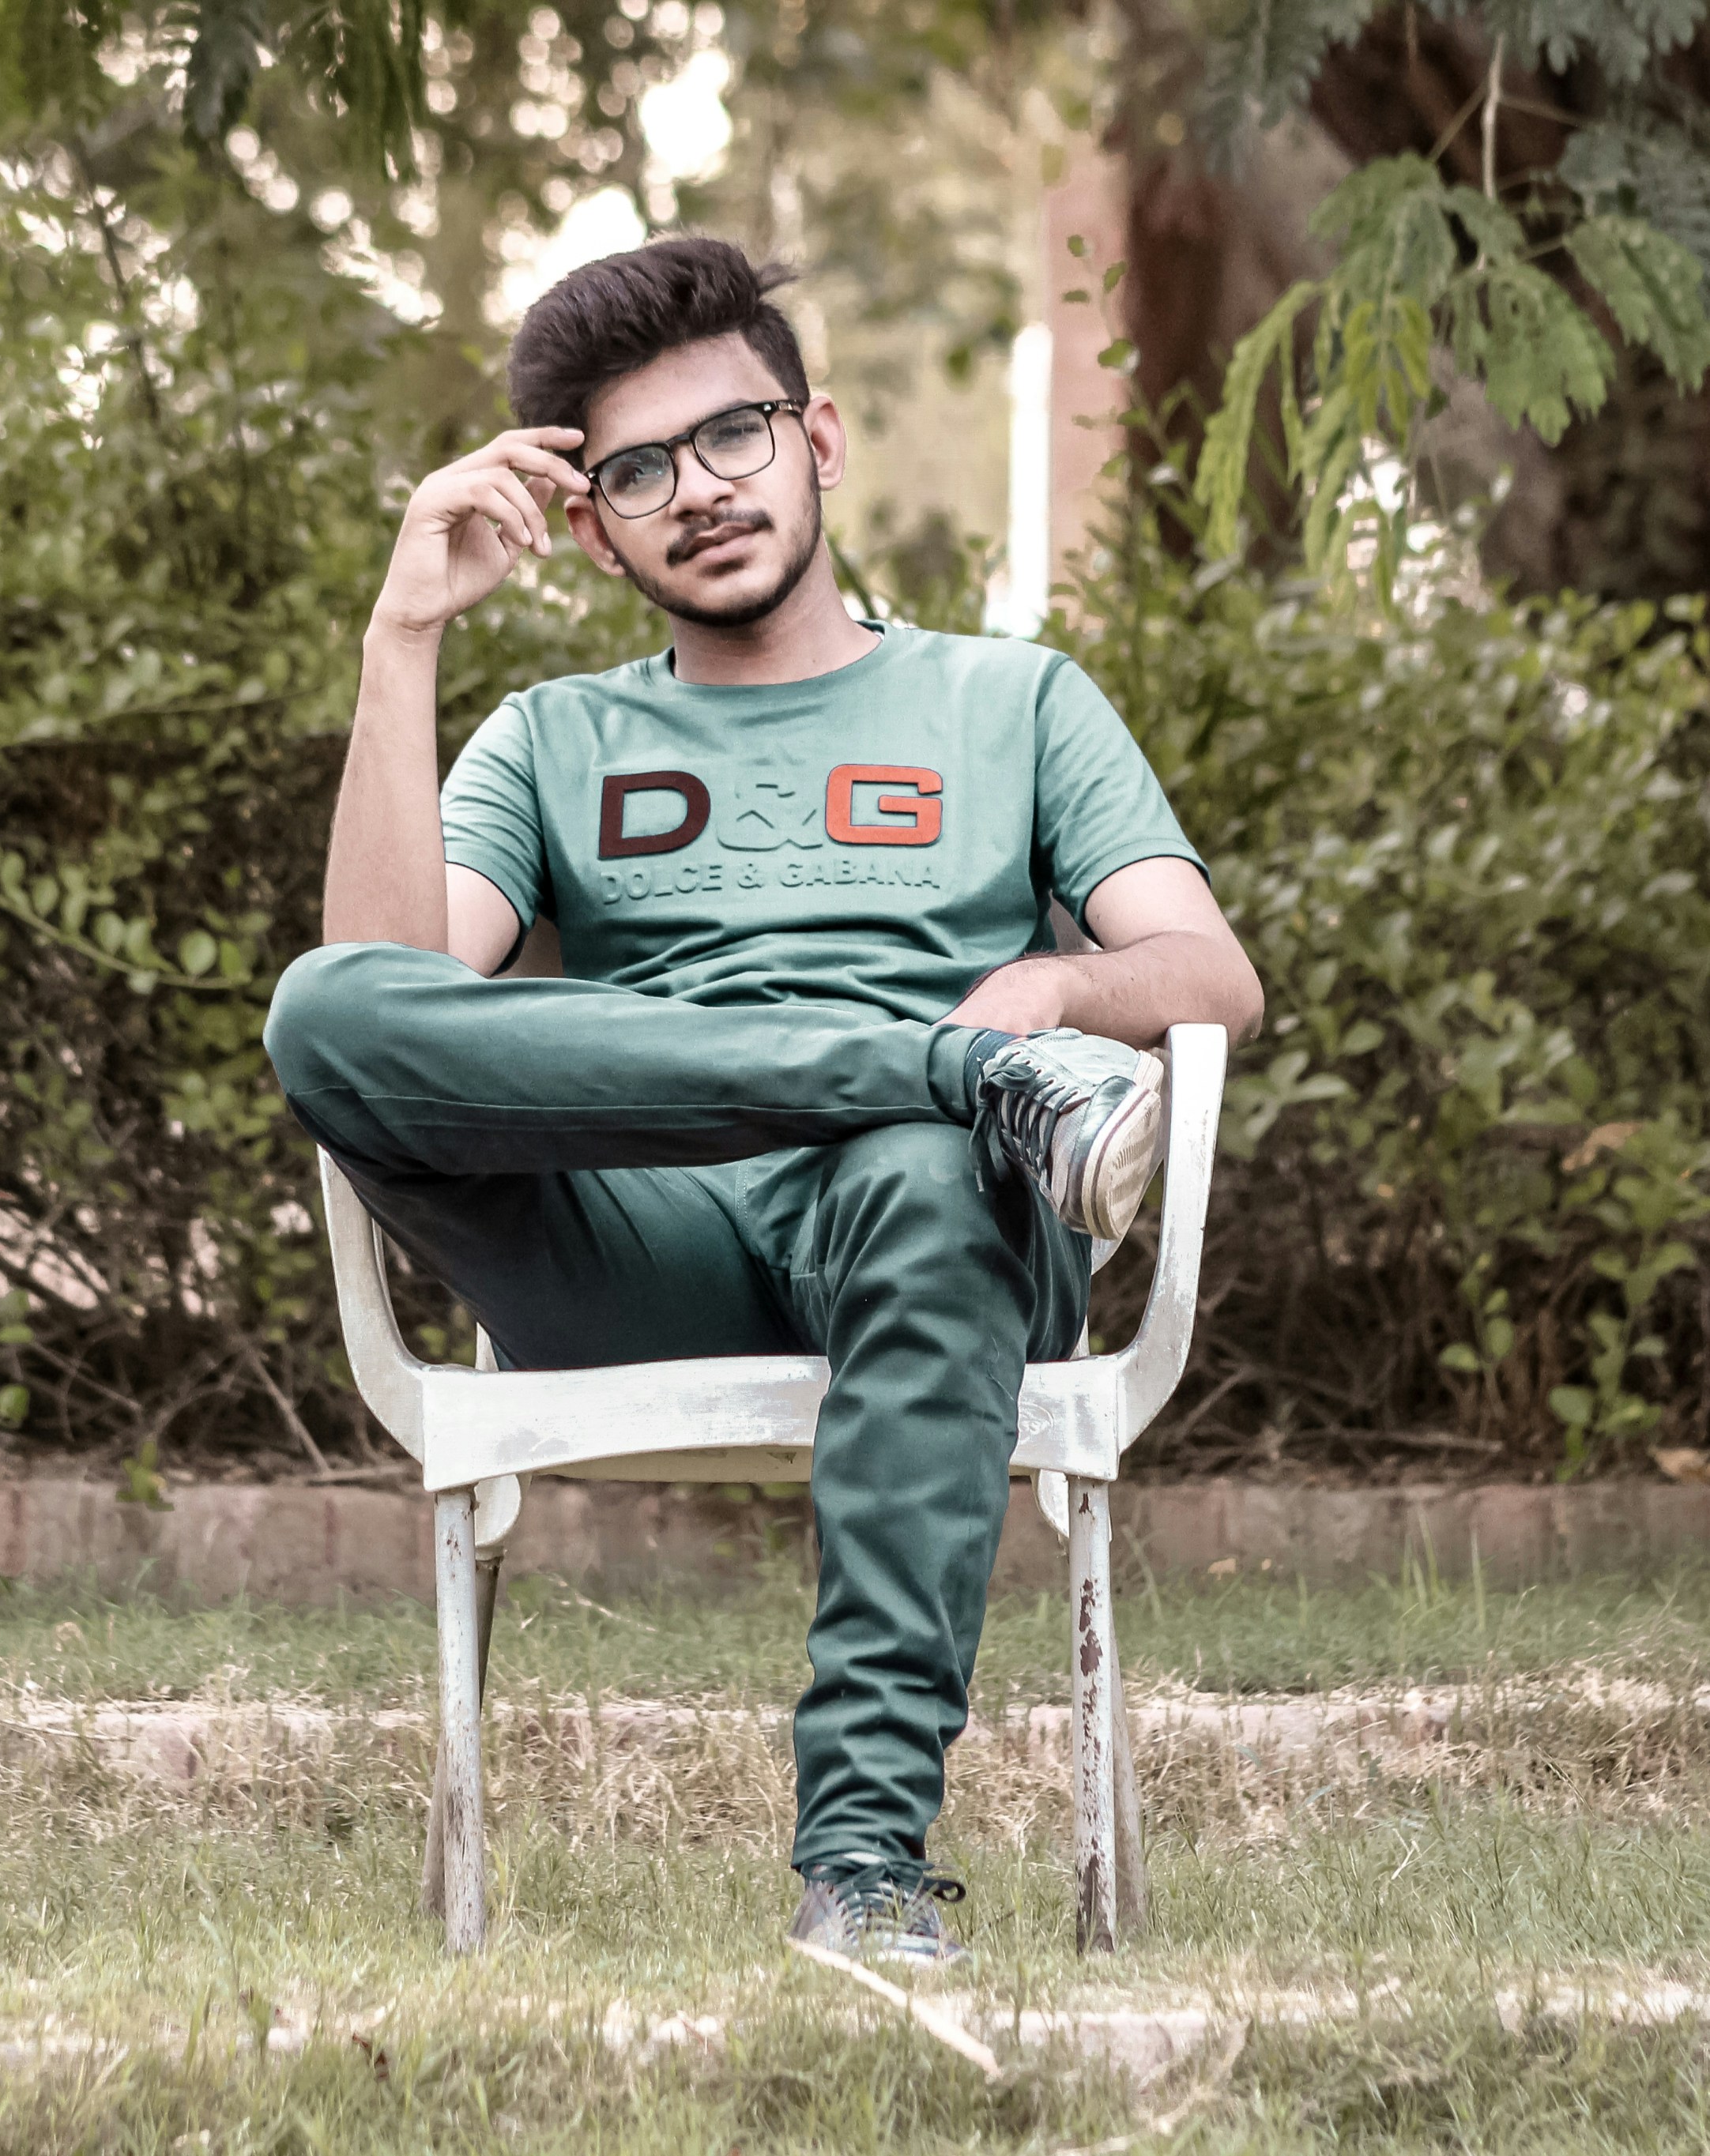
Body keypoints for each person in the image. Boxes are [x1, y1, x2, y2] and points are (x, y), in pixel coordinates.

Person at [264, 236, 1262, 1965]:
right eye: (636, 471)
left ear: (819, 439)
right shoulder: (552, 735)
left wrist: (1051, 989)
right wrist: (403, 633)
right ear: (588, 528)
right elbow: (392, 1002)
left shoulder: (1011, 699)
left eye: (730, 437)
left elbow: (1206, 977)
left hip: (931, 1223)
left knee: (923, 1170)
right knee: (319, 1011)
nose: (695, 493)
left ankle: (863, 1866)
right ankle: (945, 1070)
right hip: (641, 1235)